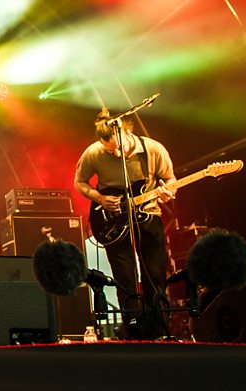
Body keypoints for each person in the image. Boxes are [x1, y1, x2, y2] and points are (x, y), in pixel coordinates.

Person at [75, 107, 177, 339]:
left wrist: (168, 192)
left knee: (155, 273)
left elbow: (170, 179)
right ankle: (132, 328)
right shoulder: (93, 153)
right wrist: (99, 198)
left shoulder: (153, 149)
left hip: (148, 214)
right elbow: (79, 182)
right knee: (124, 276)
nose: (116, 153)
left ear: (127, 131)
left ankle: (157, 330)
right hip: (113, 221)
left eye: (118, 147)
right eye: (110, 150)